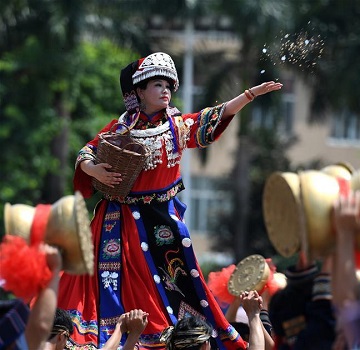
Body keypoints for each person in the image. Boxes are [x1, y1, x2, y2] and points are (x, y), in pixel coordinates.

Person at [56, 51, 283, 349]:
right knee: (115, 284)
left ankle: (183, 340)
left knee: (179, 285)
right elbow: (86, 152)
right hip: (120, 222)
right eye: (156, 85)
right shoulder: (121, 129)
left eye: (168, 85)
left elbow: (213, 116)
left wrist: (249, 95)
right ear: (138, 92)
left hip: (163, 222)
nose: (165, 91)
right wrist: (93, 168)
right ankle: (124, 336)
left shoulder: (177, 127)